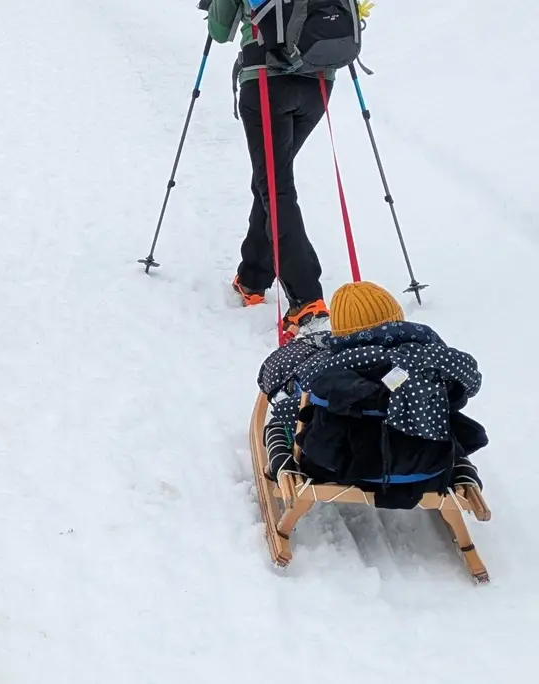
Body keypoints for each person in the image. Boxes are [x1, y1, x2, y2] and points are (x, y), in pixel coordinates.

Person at [256, 281, 487, 509]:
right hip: (430, 467)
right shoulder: (433, 358)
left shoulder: (331, 365)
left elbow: (299, 409)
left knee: (283, 419)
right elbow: (472, 384)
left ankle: (281, 464)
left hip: (341, 467)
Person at [206, 0, 334, 336]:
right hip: (320, 81)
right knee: (271, 181)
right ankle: (253, 277)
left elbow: (219, 31)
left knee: (275, 186)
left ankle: (307, 301)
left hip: (265, 78)